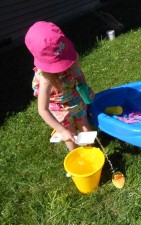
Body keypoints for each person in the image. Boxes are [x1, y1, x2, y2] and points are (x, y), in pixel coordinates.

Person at [25, 21, 94, 151]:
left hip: (75, 97)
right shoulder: (46, 78)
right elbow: (43, 110)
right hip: (59, 107)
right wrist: (61, 130)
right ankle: (76, 156)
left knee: (83, 122)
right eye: (59, 65)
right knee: (70, 134)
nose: (64, 68)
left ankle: (91, 151)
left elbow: (79, 76)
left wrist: (86, 89)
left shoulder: (71, 59)